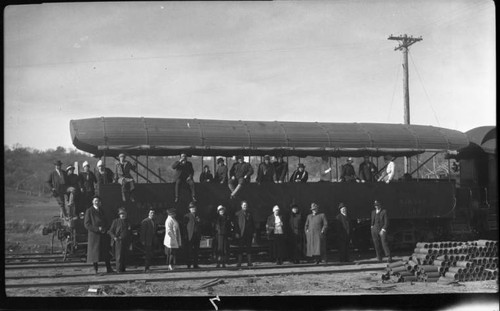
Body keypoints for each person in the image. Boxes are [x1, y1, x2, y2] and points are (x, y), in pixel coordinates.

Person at [84, 196, 113, 274]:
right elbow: (87, 224)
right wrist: (97, 229)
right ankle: (95, 269)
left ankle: (109, 268)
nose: (97, 202)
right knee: (95, 254)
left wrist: (105, 228)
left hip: (103, 234)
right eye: (95, 201)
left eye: (98, 201)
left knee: (105, 252)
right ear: (93, 202)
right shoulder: (89, 211)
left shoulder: (102, 210)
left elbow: (106, 221)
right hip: (94, 235)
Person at [108, 208, 132, 273]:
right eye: (121, 214)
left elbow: (130, 232)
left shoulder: (128, 222)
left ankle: (123, 269)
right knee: (119, 256)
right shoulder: (115, 221)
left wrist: (130, 242)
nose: (122, 215)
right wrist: (114, 237)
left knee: (125, 255)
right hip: (119, 241)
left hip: (126, 241)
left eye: (123, 214)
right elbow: (110, 231)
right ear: (119, 215)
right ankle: (118, 270)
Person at [234, 200, 255, 267]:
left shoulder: (250, 214)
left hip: (248, 234)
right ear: (241, 206)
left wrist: (254, 232)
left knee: (249, 248)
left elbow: (253, 224)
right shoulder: (237, 214)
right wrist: (237, 232)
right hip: (241, 234)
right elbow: (236, 225)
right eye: (244, 205)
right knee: (240, 248)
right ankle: (239, 262)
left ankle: (249, 262)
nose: (245, 206)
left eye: (246, 205)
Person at [183, 202, 202, 269]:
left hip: (197, 235)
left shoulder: (198, 216)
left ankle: (195, 264)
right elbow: (184, 227)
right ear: (189, 209)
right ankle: (189, 264)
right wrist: (185, 235)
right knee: (189, 251)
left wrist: (199, 221)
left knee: (196, 251)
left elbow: (200, 226)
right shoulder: (187, 216)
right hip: (190, 236)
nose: (193, 209)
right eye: (192, 208)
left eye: (194, 208)